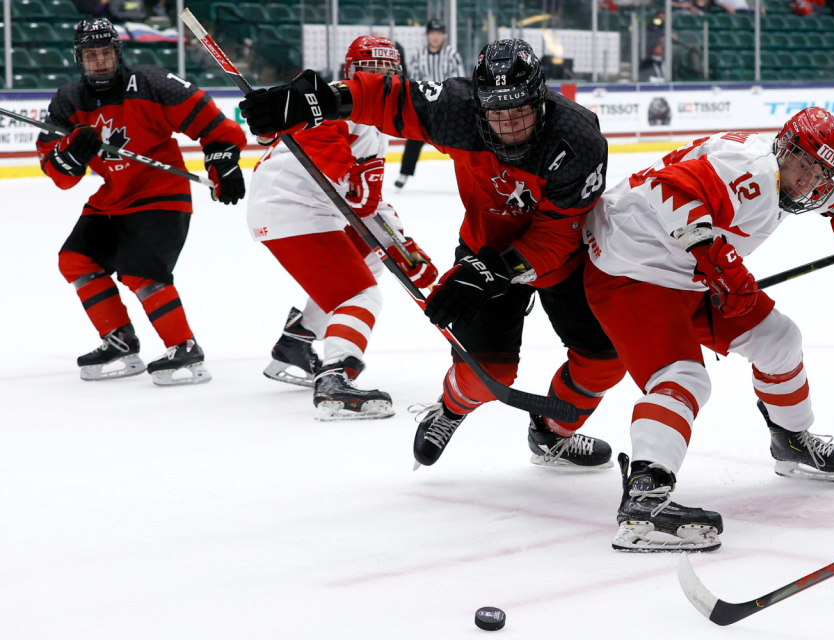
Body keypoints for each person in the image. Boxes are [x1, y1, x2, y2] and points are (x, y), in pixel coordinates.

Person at [239, 39, 626, 469]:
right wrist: (321, 101)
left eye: (521, 111)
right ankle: (451, 409)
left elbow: (555, 236)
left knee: (605, 360)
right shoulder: (456, 109)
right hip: (485, 248)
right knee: (487, 378)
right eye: (498, 113)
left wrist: (495, 272)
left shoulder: (577, 141)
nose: (511, 126)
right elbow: (388, 97)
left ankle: (552, 435)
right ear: (478, 107)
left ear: (542, 99)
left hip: (560, 262)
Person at [581, 107, 834, 552]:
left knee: (779, 339)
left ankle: (790, 441)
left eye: (823, 172)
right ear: (784, 149)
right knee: (682, 378)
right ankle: (644, 503)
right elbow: (665, 186)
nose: (810, 181)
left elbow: (819, 188)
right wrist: (716, 256)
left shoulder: (782, 172)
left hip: (687, 270)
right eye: (805, 164)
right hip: (631, 269)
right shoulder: (747, 174)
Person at [37, 17, 246, 385]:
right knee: (74, 259)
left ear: (118, 53)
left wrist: (222, 162)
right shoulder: (68, 101)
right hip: (111, 200)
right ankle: (119, 339)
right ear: (78, 59)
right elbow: (59, 175)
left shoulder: (151, 82)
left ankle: (184, 347)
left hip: (162, 195)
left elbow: (212, 124)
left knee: (142, 272)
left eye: (105, 53)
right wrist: (71, 154)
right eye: (91, 55)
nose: (99, 61)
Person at [246, 36, 438, 421]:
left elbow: (369, 202)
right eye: (370, 71)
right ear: (349, 73)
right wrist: (351, 179)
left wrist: (402, 247)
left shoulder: (373, 123)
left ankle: (297, 341)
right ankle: (335, 379)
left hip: (305, 209)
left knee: (371, 260)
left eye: (388, 73)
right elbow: (333, 162)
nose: (379, 81)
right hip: (291, 209)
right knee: (362, 296)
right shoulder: (331, 107)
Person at [393, 18, 465, 190]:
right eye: (432, 33)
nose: (435, 37)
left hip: (448, 107)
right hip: (425, 107)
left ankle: (468, 177)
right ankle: (404, 174)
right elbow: (414, 82)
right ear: (427, 35)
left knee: (463, 142)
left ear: (444, 36)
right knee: (414, 138)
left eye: (439, 33)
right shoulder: (419, 55)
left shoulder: (452, 55)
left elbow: (459, 81)